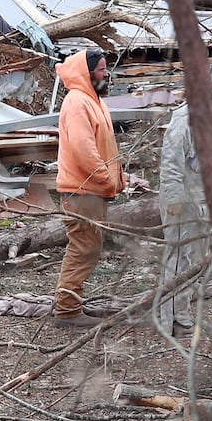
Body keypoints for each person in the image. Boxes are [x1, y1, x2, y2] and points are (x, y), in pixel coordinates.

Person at [53, 49, 126, 327]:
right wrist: (106, 179)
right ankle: (68, 311)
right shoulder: (77, 102)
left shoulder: (93, 100)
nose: (106, 74)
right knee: (83, 249)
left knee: (88, 248)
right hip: (82, 191)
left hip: (92, 190)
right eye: (101, 70)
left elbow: (104, 145)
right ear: (87, 73)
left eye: (106, 69)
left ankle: (72, 304)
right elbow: (84, 149)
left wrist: (116, 178)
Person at [158, 78, 212, 335]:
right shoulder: (183, 122)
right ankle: (169, 319)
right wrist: (175, 200)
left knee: (196, 259)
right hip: (183, 200)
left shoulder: (211, 118)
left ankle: (183, 312)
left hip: (203, 197)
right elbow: (170, 164)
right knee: (178, 260)